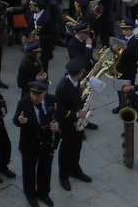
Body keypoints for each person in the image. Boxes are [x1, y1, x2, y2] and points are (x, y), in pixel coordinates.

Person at [13, 81, 57, 207]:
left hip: (47, 142)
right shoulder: (24, 103)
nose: (34, 97)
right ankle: (30, 194)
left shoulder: (52, 100)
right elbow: (16, 120)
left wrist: (57, 124)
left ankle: (44, 193)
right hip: (30, 143)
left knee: (45, 169)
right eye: (32, 94)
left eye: (38, 95)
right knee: (29, 171)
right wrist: (20, 121)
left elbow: (59, 115)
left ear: (44, 94)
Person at [54, 58, 91, 192]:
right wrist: (77, 114)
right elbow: (61, 111)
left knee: (77, 147)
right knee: (66, 150)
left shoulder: (76, 82)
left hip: (78, 123)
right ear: (79, 73)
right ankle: (63, 176)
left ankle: (75, 170)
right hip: (68, 124)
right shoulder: (63, 87)